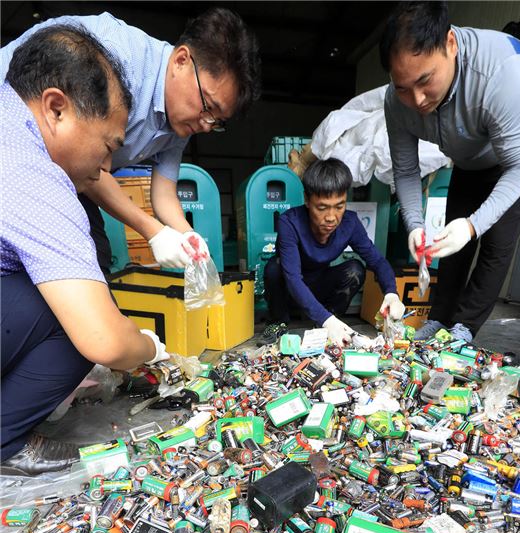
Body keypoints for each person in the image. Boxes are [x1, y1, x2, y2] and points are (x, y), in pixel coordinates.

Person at [1, 25, 170, 476]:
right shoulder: (32, 174)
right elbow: (105, 340)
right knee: (79, 314)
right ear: (56, 108)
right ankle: (5, 439)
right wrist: (149, 349)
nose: (108, 165)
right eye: (109, 144)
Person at [1, 8, 261, 274]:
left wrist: (188, 238)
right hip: (17, 145)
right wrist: (154, 231)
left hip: (70, 169)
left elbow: (163, 194)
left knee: (93, 261)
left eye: (217, 121)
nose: (206, 124)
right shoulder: (116, 62)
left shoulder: (183, 119)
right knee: (72, 269)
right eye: (209, 106)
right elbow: (83, 158)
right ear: (182, 60)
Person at [380, 1, 520, 343]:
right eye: (402, 86)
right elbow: (406, 169)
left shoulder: (501, 73)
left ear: (451, 44)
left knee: (497, 236)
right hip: (473, 152)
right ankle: (440, 318)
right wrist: (414, 224)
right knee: (448, 240)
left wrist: (473, 226)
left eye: (425, 80)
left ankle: (464, 327)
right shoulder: (396, 101)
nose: (417, 99)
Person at [262, 158, 405, 347]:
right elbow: (293, 278)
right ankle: (278, 322)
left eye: (339, 206)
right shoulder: (290, 222)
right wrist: (325, 319)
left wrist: (391, 293)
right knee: (274, 268)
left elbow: (377, 261)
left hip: (320, 286)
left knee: (355, 269)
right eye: (322, 208)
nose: (331, 217)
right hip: (290, 289)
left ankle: (331, 321)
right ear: (307, 199)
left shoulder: (350, 223)